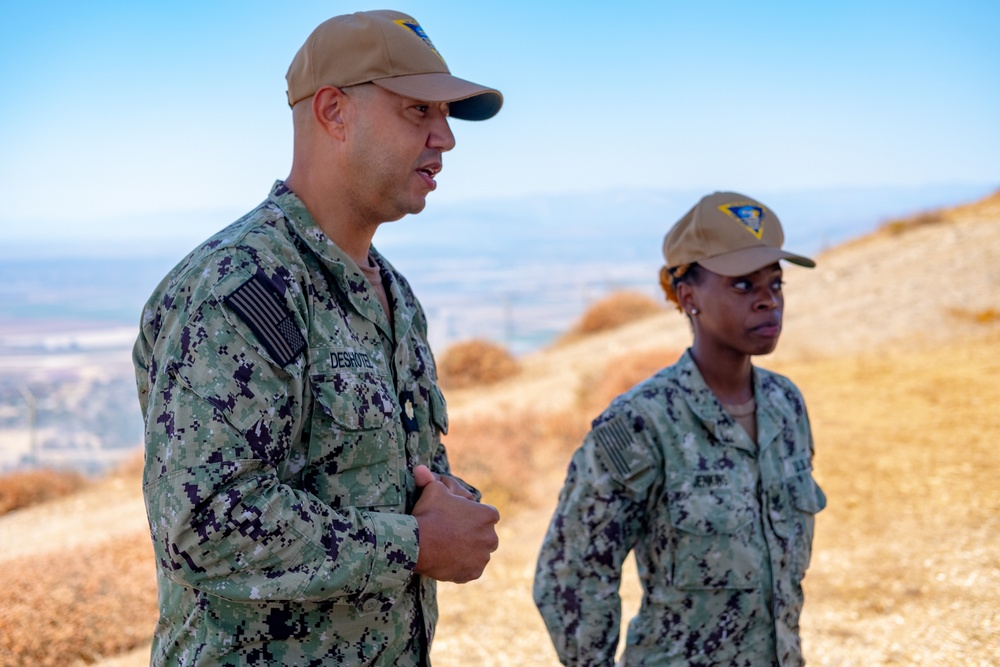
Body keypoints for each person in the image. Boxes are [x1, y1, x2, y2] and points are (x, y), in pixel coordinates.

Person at [133, 10, 503, 666]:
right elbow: (201, 524)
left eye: (446, 115)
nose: (445, 137)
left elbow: (374, 478)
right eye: (419, 110)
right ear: (333, 111)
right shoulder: (243, 285)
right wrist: (414, 543)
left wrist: (443, 502)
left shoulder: (390, 291)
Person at [533, 192, 828, 666]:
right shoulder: (641, 422)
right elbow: (573, 573)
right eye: (742, 285)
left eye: (776, 283)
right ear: (688, 295)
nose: (768, 301)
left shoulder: (785, 404)